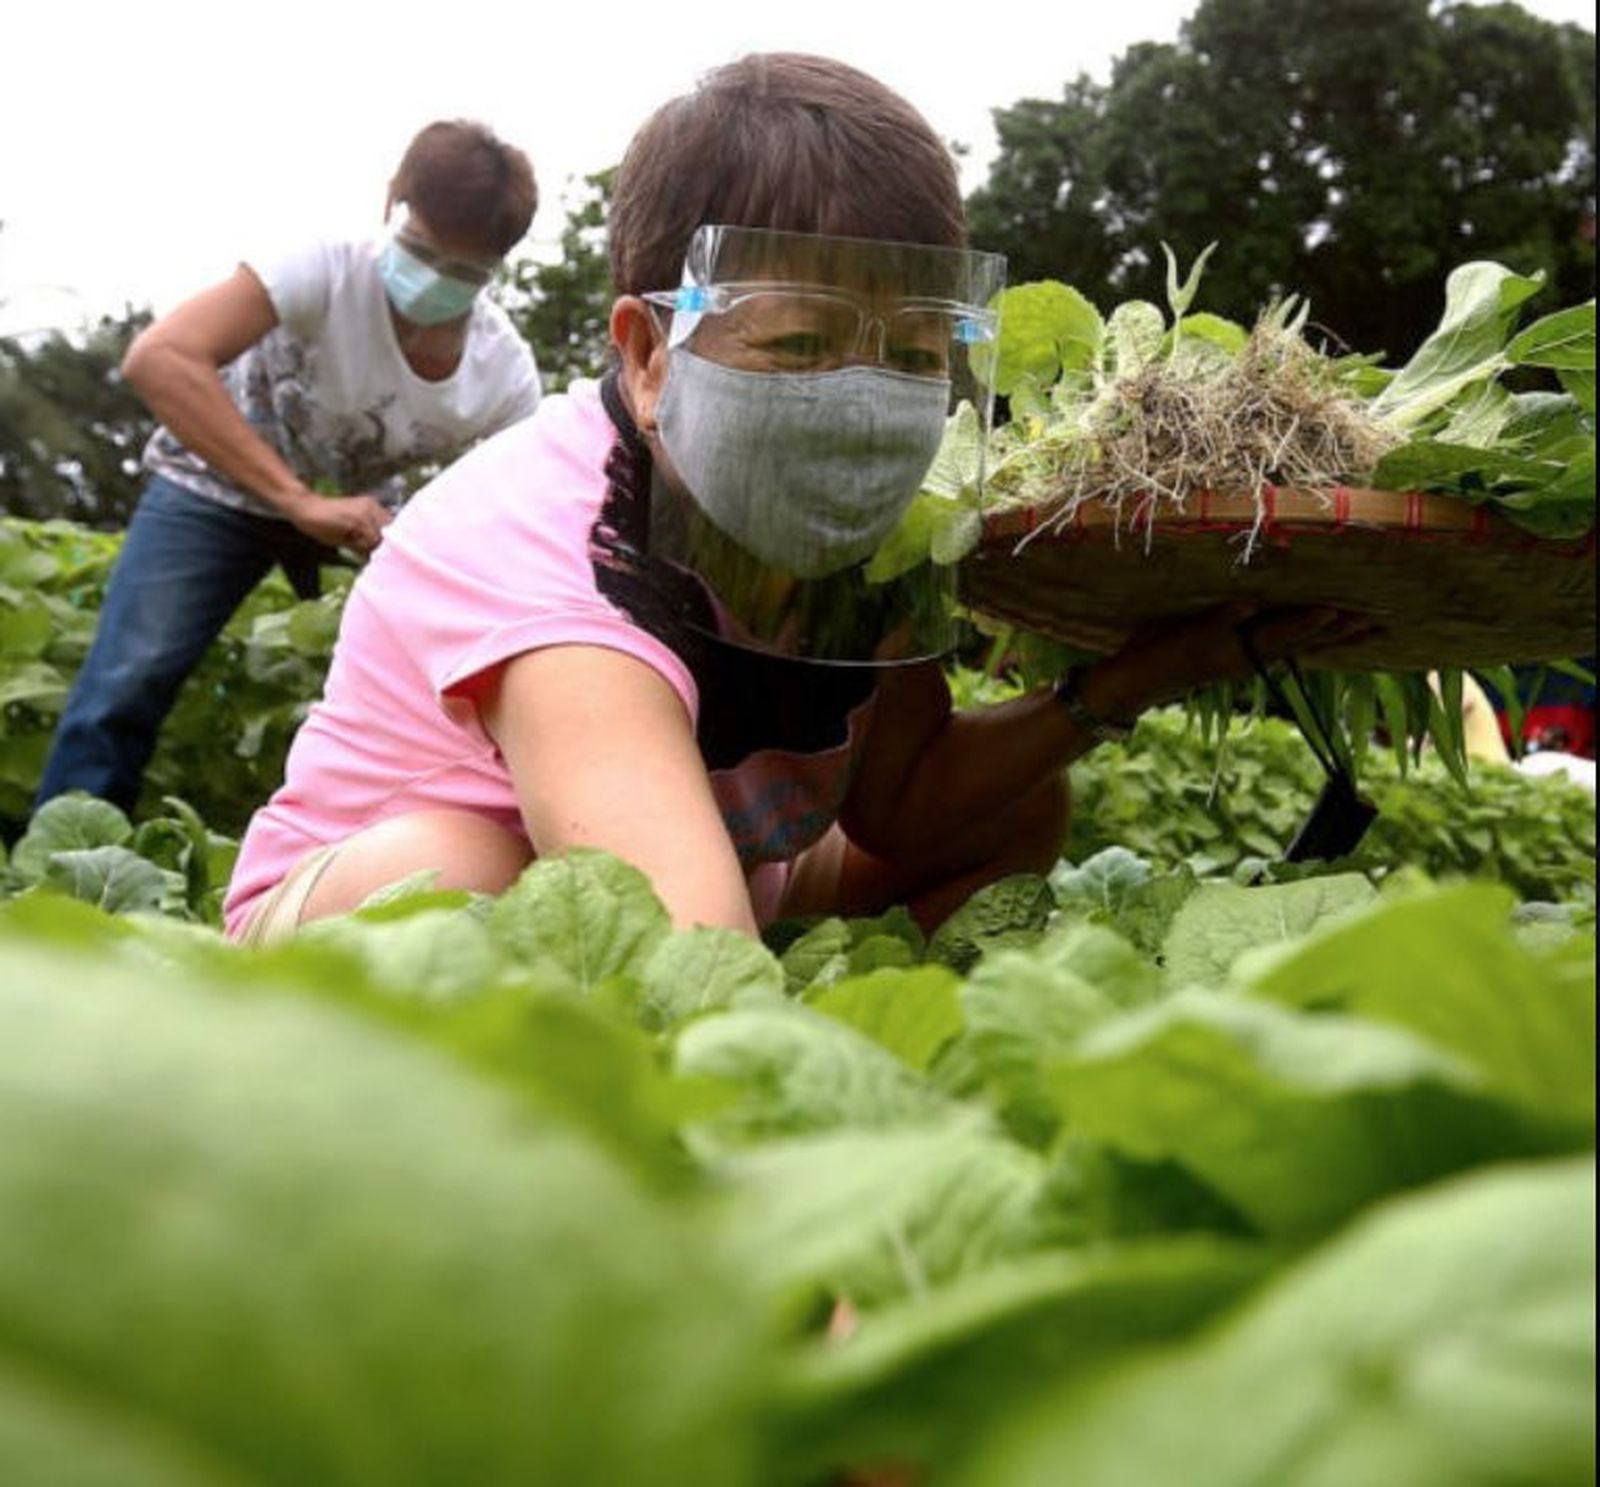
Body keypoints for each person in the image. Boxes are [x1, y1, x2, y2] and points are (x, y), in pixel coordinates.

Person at [224, 53, 1362, 944]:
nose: (862, 400)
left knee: (1014, 809)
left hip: (712, 872)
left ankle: (843, 1018)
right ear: (649, 354)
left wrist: (1129, 682)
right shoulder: (553, 547)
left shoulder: (865, 526)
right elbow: (679, 945)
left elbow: (904, 806)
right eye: (801, 338)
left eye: (917, 351)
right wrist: (713, 954)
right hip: (361, 908)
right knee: (468, 879)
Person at [35, 119, 543, 816]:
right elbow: (160, 357)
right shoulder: (322, 269)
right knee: (126, 680)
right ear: (393, 204)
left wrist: (423, 545)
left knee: (432, 686)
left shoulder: (502, 373)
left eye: (461, 273)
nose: (430, 281)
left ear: (495, 268)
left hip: (357, 519)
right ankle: (65, 870)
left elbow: (524, 507)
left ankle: (366, 851)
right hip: (214, 486)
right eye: (420, 251)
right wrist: (294, 497)